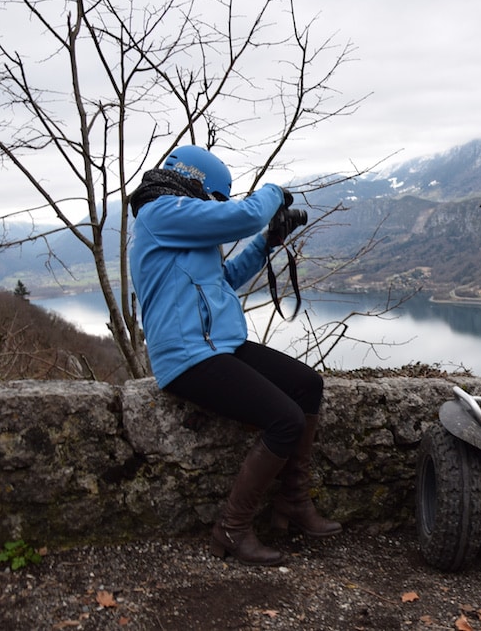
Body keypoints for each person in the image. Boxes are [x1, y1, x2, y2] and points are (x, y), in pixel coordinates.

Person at [128, 145, 340, 567]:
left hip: (219, 346)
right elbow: (245, 216)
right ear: (197, 182)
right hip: (187, 355)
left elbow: (222, 280)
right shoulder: (160, 212)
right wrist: (273, 192)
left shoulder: (179, 223)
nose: (214, 205)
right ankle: (232, 527)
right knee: (285, 419)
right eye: (214, 198)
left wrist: (267, 243)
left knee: (307, 385)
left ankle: (293, 501)